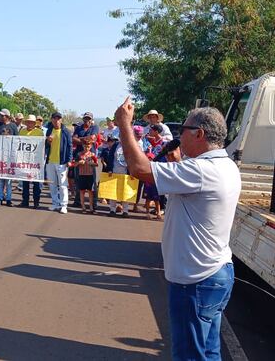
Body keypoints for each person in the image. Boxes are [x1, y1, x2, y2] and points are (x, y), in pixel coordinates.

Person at [115, 99, 239, 360]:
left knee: (189, 355)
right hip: (215, 271)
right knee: (207, 351)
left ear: (199, 134)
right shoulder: (225, 165)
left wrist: (124, 125)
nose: (179, 134)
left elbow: (138, 168)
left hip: (195, 279)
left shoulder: (200, 170)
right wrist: (178, 161)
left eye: (183, 128)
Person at [44, 111, 73, 213]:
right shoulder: (49, 130)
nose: (56, 120)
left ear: (61, 120)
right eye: (55, 118)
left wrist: (69, 160)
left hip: (62, 162)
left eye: (58, 118)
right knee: (52, 184)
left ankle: (63, 205)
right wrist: (48, 141)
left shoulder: (66, 131)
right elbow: (45, 145)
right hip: (50, 161)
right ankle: (55, 203)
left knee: (62, 184)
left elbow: (70, 147)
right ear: (52, 120)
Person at [0, 109, 19, 206]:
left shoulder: (13, 126)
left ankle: (8, 199)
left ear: (7, 116)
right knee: (0, 179)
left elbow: (17, 140)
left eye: (3, 115)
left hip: (9, 156)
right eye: (0, 115)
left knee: (8, 180)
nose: (1, 117)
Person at [19, 114, 44, 208]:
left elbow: (42, 146)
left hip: (35, 160)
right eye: (28, 122)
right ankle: (25, 201)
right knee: (25, 182)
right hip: (25, 160)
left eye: (32, 122)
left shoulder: (39, 132)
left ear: (34, 123)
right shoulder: (22, 131)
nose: (30, 123)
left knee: (36, 182)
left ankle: (36, 202)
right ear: (26, 123)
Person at [75, 135, 99, 213]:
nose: (87, 148)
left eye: (88, 146)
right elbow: (74, 164)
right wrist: (79, 162)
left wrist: (91, 163)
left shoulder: (92, 155)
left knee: (90, 191)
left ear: (91, 146)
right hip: (82, 174)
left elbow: (97, 164)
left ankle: (91, 207)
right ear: (83, 146)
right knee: (82, 191)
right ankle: (83, 206)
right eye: (85, 146)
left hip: (90, 175)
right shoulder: (79, 154)